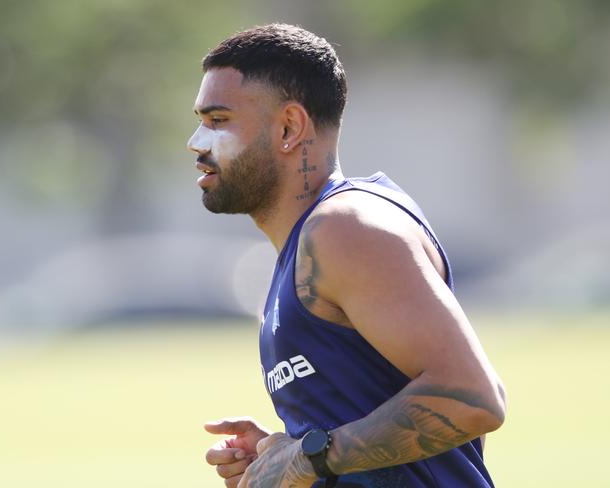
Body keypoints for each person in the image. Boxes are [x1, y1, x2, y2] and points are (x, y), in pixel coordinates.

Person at [187, 23, 506, 488]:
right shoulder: (306, 243)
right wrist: (279, 458)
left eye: (218, 121)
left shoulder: (344, 230)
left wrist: (308, 459)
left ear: (290, 128)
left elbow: (473, 397)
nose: (196, 142)